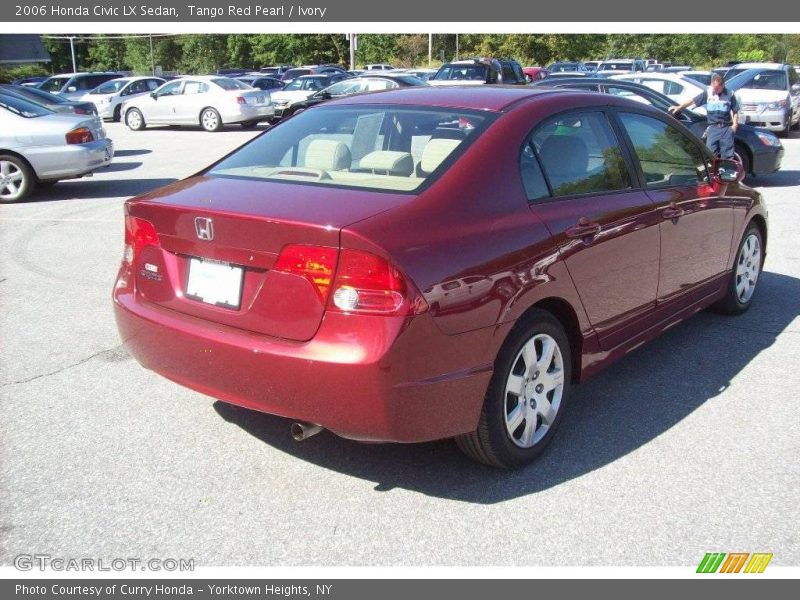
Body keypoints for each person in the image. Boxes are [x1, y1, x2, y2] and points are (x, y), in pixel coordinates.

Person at [669, 73, 739, 159]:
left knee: (727, 155)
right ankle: (713, 171)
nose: (715, 90)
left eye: (717, 89)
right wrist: (679, 107)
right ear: (711, 84)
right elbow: (693, 101)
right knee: (710, 154)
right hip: (713, 128)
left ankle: (727, 171)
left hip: (726, 128)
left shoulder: (730, 94)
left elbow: (735, 110)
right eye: (714, 87)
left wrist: (735, 125)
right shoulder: (708, 93)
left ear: (723, 85)